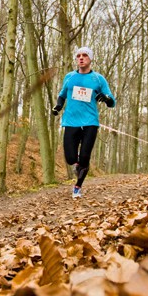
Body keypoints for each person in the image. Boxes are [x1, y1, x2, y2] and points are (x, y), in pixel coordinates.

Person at [51, 47, 115, 199]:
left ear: (90, 59)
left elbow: (112, 101)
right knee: (70, 158)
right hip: (71, 121)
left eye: (85, 55)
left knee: (85, 157)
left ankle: (77, 187)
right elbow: (62, 95)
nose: (81, 58)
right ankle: (78, 166)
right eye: (78, 56)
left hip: (90, 122)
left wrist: (106, 98)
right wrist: (58, 106)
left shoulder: (98, 79)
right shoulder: (69, 77)